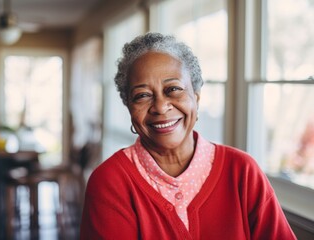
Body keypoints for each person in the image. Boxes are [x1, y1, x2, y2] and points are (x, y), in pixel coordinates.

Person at [80, 32, 296, 239]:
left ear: (196, 97)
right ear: (129, 107)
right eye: (142, 95)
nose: (161, 107)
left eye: (173, 89)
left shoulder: (242, 171)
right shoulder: (109, 181)